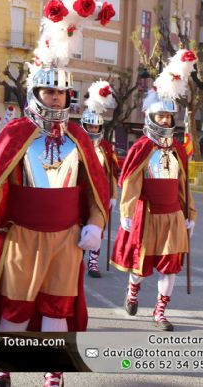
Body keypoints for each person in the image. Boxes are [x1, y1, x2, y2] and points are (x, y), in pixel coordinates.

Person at [0, 0, 112, 387]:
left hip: (66, 238)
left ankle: (54, 370)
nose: (56, 99)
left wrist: (97, 225)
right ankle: (4, 366)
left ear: (70, 96)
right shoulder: (17, 133)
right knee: (14, 308)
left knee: (57, 307)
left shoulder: (80, 137)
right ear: (35, 94)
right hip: (21, 237)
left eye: (62, 94)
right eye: (49, 93)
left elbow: (97, 189)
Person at [111, 49, 197, 332]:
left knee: (170, 266)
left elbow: (183, 186)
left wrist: (190, 214)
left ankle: (160, 311)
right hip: (146, 215)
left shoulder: (178, 150)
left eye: (169, 118)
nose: (165, 122)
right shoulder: (142, 148)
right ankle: (132, 291)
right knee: (140, 266)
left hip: (172, 215)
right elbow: (131, 181)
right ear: (151, 117)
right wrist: (126, 211)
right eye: (161, 117)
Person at [80, 80, 118, 278]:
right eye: (90, 127)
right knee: (78, 226)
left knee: (98, 228)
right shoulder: (76, 143)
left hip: (100, 194)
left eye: (96, 127)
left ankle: (93, 263)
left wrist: (113, 194)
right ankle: (77, 259)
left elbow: (111, 171)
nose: (93, 130)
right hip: (79, 192)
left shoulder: (105, 147)